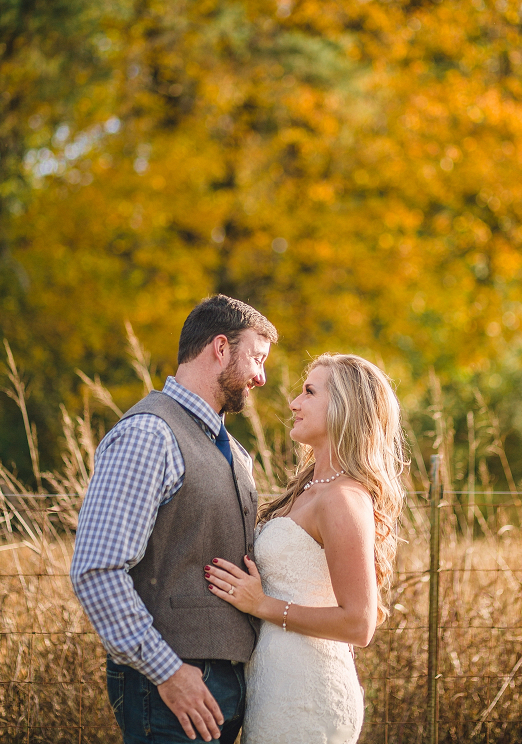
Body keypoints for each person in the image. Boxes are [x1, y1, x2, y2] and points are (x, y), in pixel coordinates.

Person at [71, 295, 278, 744]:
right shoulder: (150, 433)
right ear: (220, 348)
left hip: (223, 684)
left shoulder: (234, 451)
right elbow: (96, 568)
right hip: (170, 685)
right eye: (256, 359)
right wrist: (168, 673)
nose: (261, 377)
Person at [205, 353, 406, 744]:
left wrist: (262, 605)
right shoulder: (309, 487)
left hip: (308, 692)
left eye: (309, 392)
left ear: (344, 407)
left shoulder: (344, 498)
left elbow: (359, 623)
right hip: (274, 682)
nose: (294, 403)